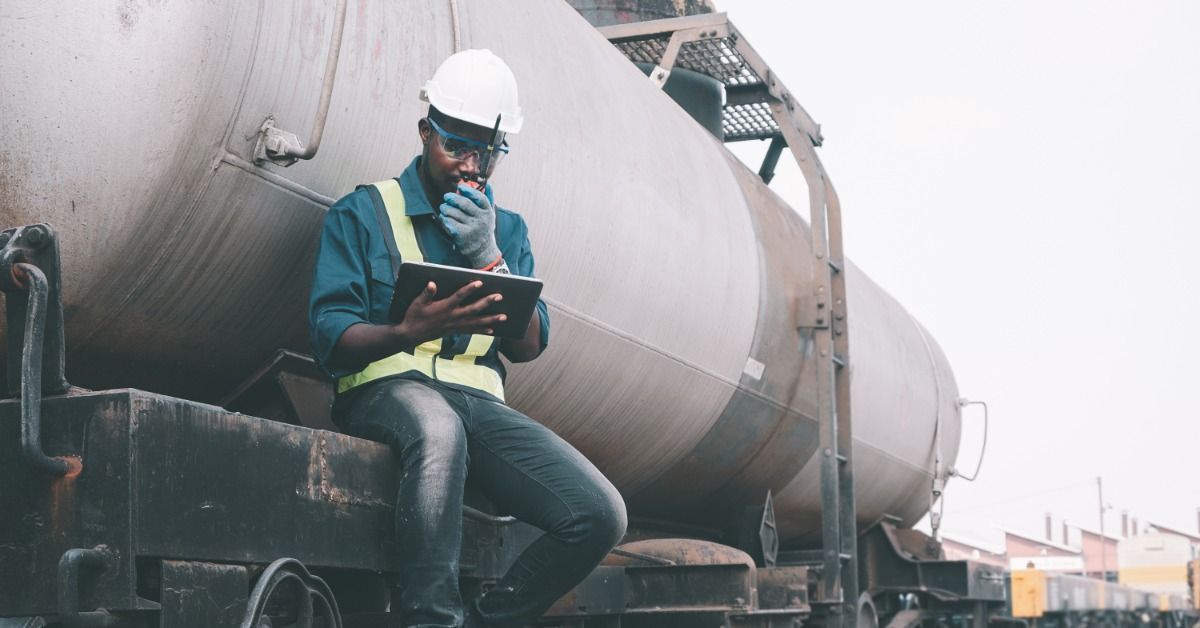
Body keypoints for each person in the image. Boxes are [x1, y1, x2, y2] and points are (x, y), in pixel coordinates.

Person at [307, 49, 627, 628]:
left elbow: (528, 345)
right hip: (385, 394)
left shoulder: (506, 230)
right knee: (436, 426)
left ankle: (484, 621)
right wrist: (409, 331)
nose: (470, 166)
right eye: (456, 146)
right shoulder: (363, 213)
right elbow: (331, 338)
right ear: (426, 133)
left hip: (479, 408)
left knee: (600, 512)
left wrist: (490, 256)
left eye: (487, 152)